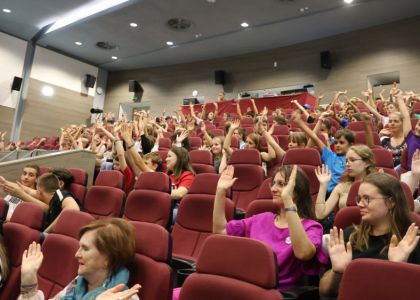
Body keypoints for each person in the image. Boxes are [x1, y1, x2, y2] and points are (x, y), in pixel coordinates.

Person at [213, 165, 328, 292]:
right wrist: (220, 192)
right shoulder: (263, 218)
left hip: (278, 293)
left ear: (297, 190)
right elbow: (220, 231)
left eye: (281, 184)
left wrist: (288, 201)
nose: (273, 189)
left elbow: (303, 254)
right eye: (273, 184)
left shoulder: (311, 226)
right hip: (246, 286)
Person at [319, 172, 420, 297]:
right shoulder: (349, 236)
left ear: (391, 202)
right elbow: (324, 291)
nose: (360, 204)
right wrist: (337, 272)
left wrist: (397, 268)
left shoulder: (411, 241)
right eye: (359, 199)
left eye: (367, 199)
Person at [18, 218, 140, 299]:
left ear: (108, 259)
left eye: (85, 248)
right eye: (79, 247)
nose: (76, 254)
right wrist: (29, 280)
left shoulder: (125, 296)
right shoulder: (78, 283)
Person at [315, 145, 377, 232]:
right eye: (346, 161)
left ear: (366, 163)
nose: (347, 164)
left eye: (352, 160)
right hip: (344, 233)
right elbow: (320, 214)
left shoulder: (377, 186)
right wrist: (323, 185)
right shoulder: (341, 187)